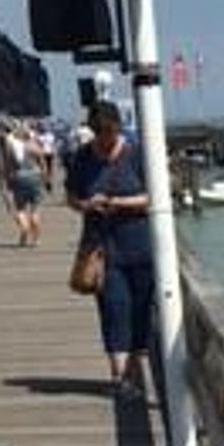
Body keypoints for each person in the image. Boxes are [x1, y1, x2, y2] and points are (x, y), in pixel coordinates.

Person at [66, 103, 154, 396]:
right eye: (100, 134)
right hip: (102, 249)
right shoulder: (83, 157)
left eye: (110, 133)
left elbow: (153, 198)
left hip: (140, 245)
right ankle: (122, 379)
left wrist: (117, 204)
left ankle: (137, 373)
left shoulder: (137, 153)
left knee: (141, 311)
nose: (105, 139)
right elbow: (71, 195)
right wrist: (86, 204)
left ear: (118, 127)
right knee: (115, 309)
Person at [4, 123, 45, 247]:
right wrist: (45, 178)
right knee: (35, 208)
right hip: (35, 177)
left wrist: (8, 180)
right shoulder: (34, 146)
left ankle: (24, 228)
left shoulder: (13, 148)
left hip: (19, 178)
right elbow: (43, 164)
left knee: (20, 208)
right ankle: (36, 239)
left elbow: (9, 165)